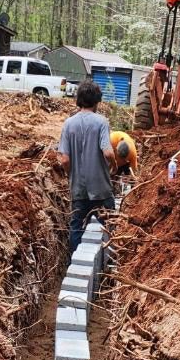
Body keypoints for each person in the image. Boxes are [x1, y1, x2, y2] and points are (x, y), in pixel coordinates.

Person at [57, 80, 115, 253]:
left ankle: (71, 263)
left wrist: (70, 175)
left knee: (76, 229)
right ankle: (111, 262)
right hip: (101, 190)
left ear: (79, 100)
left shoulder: (68, 124)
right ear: (97, 101)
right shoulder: (101, 122)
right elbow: (108, 153)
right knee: (110, 226)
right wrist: (114, 166)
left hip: (78, 190)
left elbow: (65, 160)